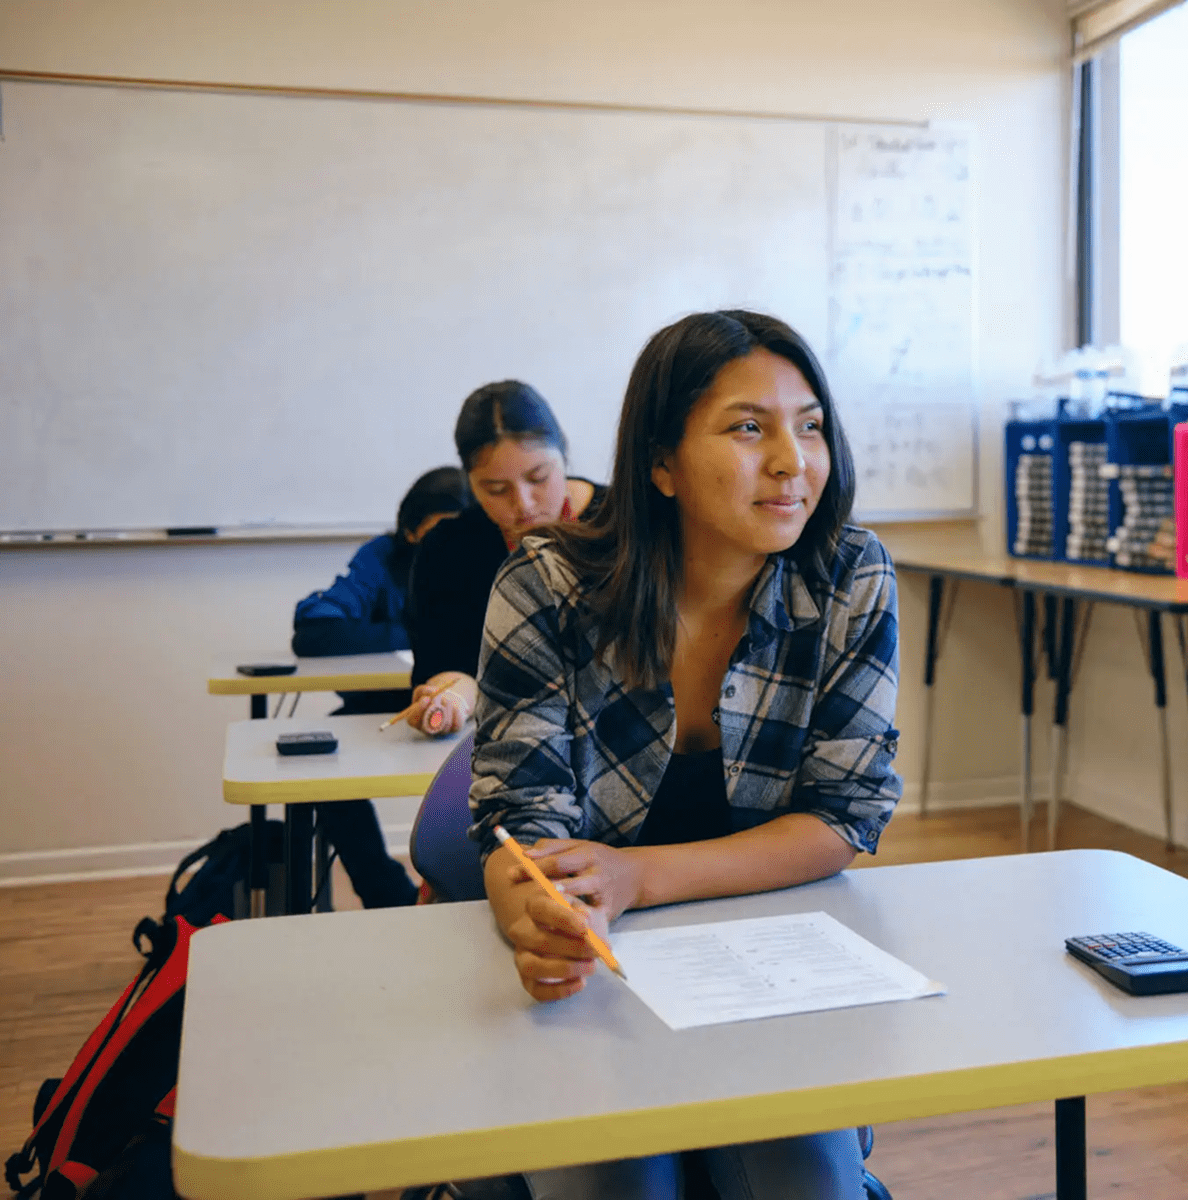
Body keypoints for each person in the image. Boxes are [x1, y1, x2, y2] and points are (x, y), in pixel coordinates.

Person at [468, 311, 900, 1199]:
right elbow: (524, 833)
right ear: (660, 462)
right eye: (750, 427)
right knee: (622, 1183)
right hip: (603, 977)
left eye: (809, 425)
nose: (792, 460)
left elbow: (844, 817)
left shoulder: (850, 576)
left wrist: (637, 876)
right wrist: (540, 924)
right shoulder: (546, 587)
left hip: (767, 963)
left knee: (806, 1186)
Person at [288, 465, 469, 908]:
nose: (446, 548)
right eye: (436, 535)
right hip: (390, 703)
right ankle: (384, 893)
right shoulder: (382, 557)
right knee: (323, 764)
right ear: (409, 531)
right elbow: (315, 628)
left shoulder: (479, 558)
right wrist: (416, 632)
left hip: (470, 703)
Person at [401, 381, 602, 736]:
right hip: (512, 743)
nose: (523, 503)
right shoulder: (448, 549)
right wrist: (449, 699)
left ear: (564, 455)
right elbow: (451, 664)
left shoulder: (626, 524)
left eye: (538, 477)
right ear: (471, 483)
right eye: (496, 489)